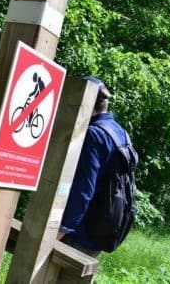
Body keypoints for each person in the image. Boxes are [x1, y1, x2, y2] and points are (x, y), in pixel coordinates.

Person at [58, 77, 129, 257]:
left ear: (86, 101)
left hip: (78, 234)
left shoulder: (94, 134)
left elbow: (83, 189)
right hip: (99, 231)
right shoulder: (119, 133)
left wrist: (63, 229)